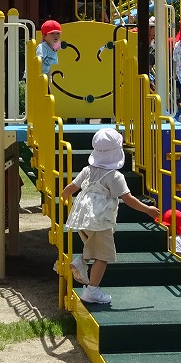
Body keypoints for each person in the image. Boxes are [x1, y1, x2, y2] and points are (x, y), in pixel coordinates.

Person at [62, 127, 162, 305]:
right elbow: (128, 199)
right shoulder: (115, 176)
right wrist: (147, 209)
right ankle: (92, 290)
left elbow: (71, 187)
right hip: (100, 221)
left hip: (83, 219)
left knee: (94, 246)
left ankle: (81, 261)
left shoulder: (87, 170)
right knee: (103, 256)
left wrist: (63, 196)